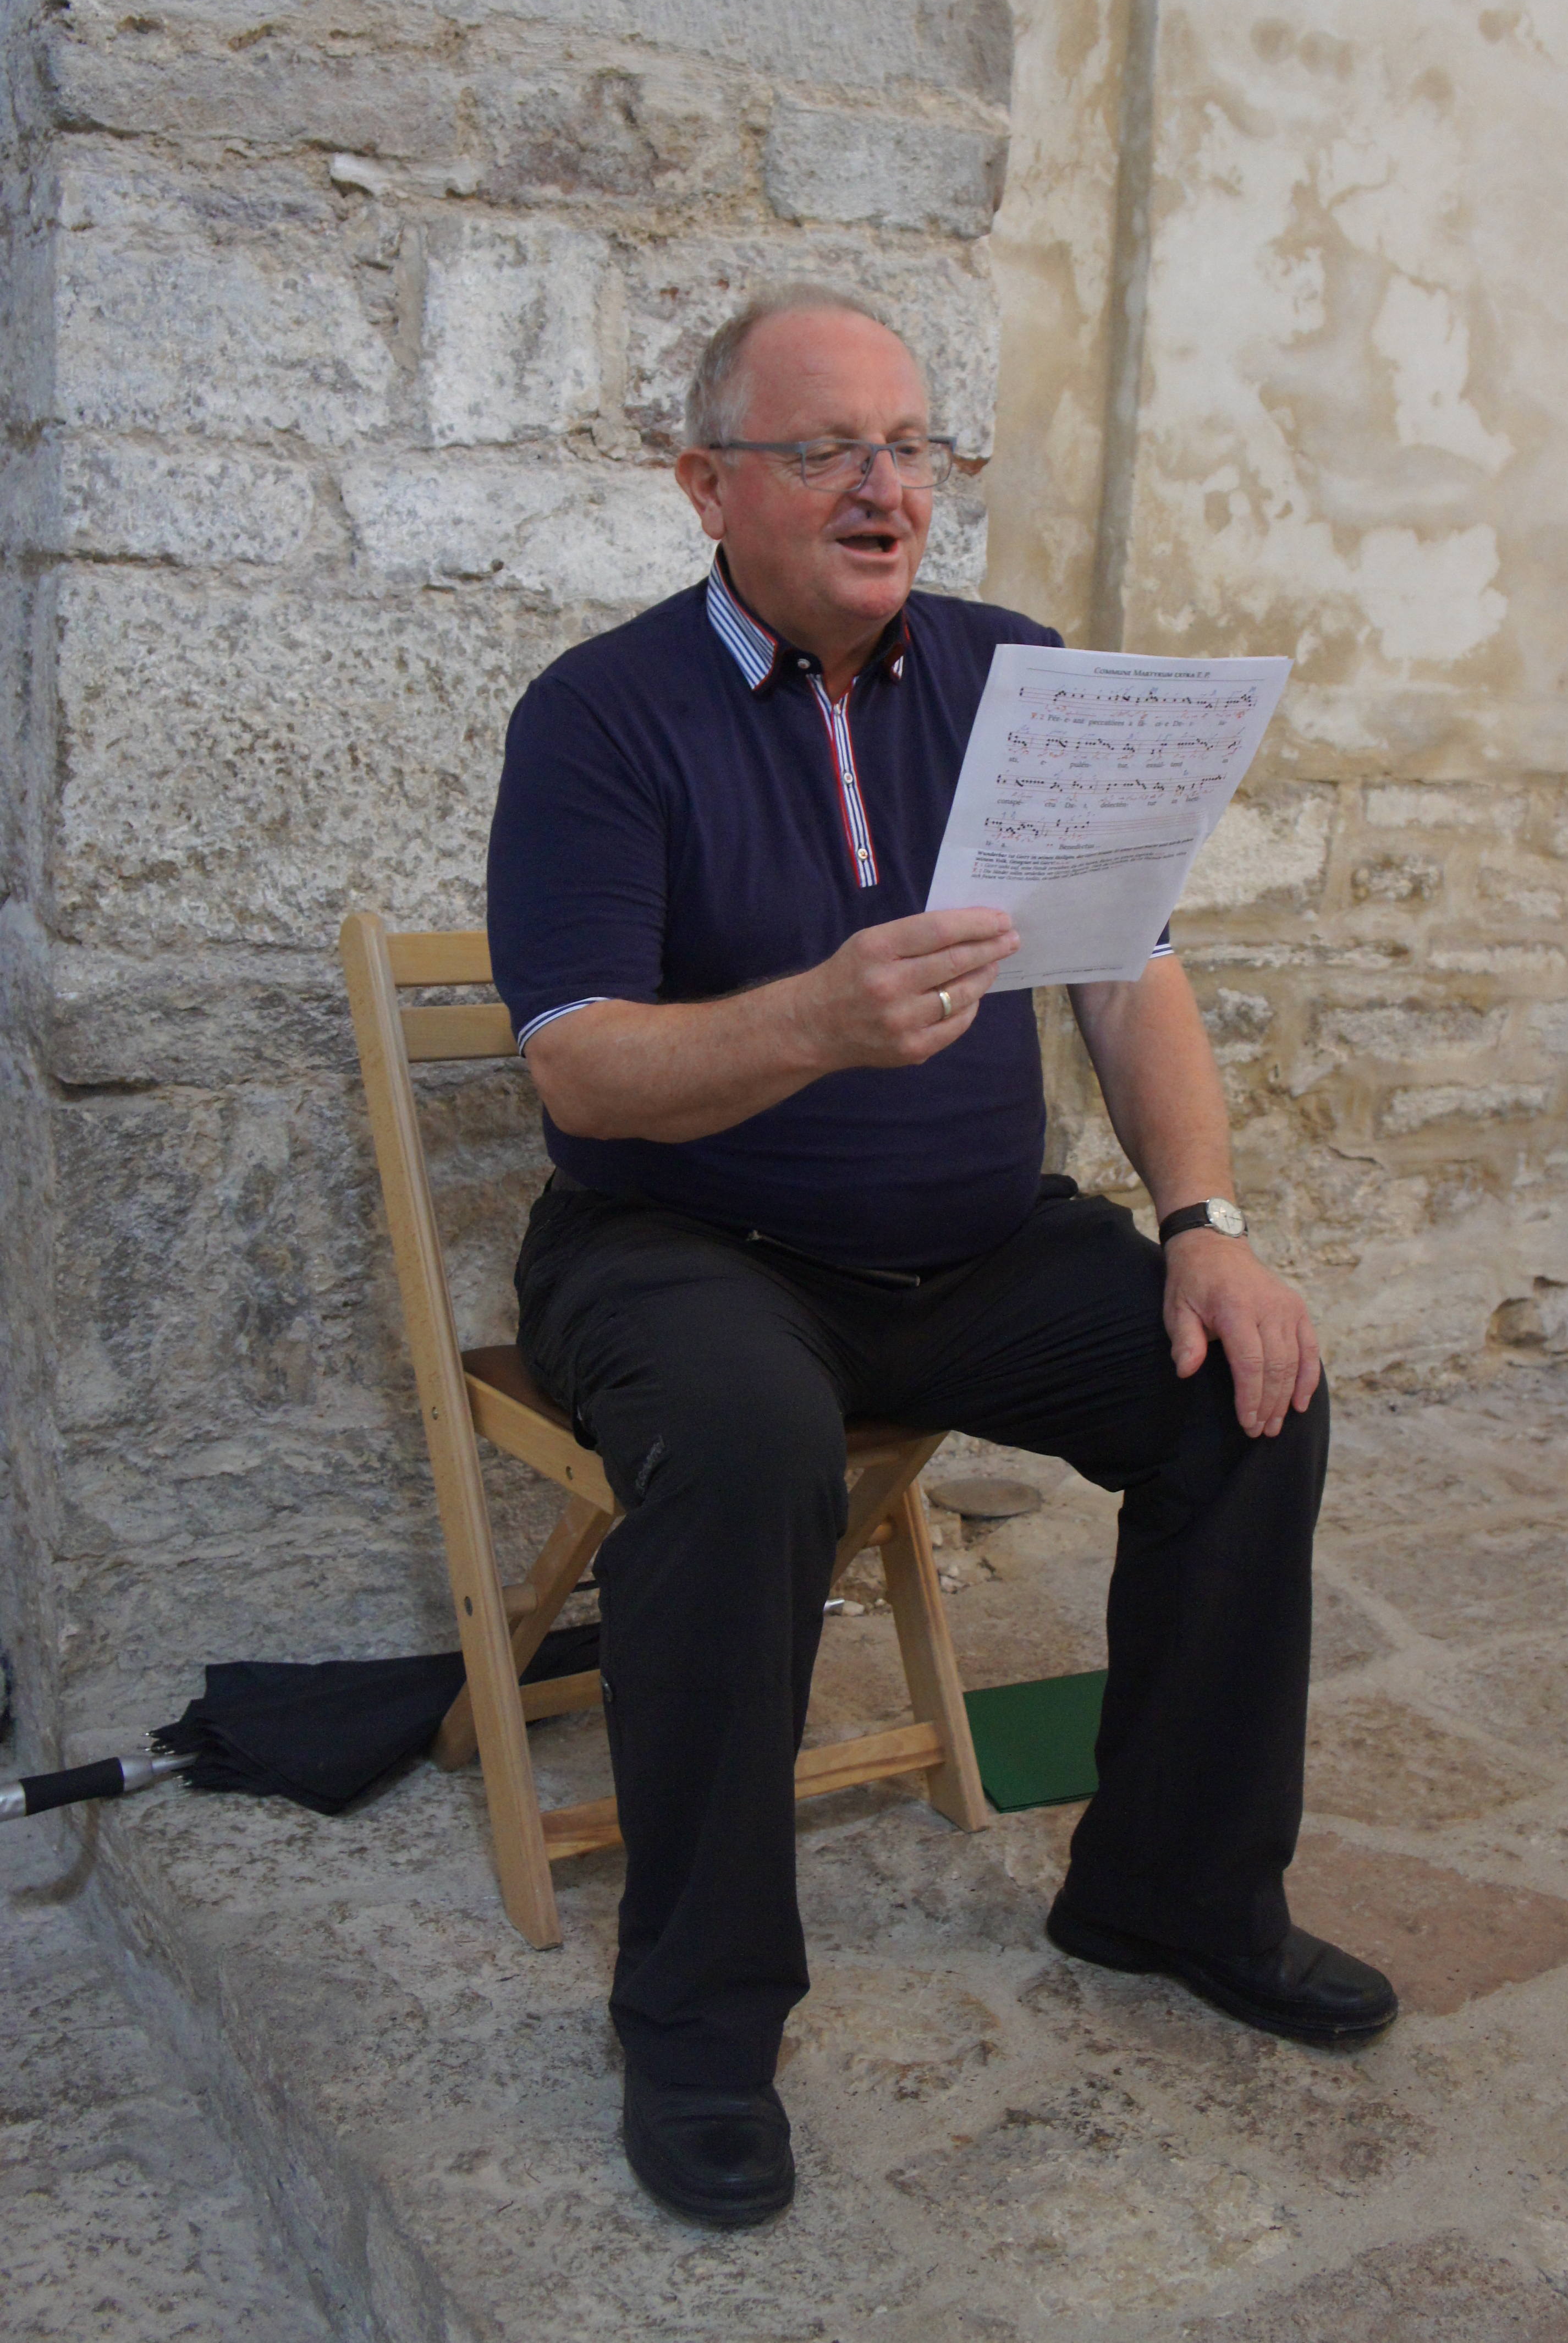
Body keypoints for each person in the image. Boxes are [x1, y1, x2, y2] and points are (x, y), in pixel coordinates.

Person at [486, 284, 1396, 2230]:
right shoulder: (598, 715)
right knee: (746, 1449)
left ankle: (1172, 1896)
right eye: (825, 451)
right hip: (684, 1247)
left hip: (977, 1256)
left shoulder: (1016, 679)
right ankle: (699, 2029)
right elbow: (579, 1064)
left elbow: (1130, 976)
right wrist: (813, 1022)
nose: (883, 490)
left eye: (910, 448)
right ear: (705, 485)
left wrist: (1207, 1230)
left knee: (1250, 1389)